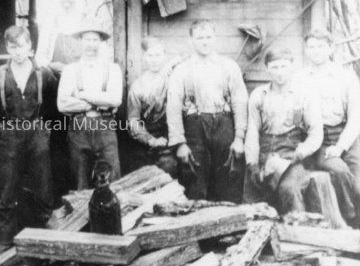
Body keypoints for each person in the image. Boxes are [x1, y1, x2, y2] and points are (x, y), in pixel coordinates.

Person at [0, 25, 59, 257]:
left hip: (37, 133)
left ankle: (50, 241)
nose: (17, 51)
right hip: (10, 134)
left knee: (43, 185)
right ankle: (4, 242)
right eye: (12, 47)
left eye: (21, 46)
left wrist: (46, 125)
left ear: (29, 46)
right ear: (7, 48)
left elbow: (56, 100)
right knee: (8, 187)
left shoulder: (43, 73)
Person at [297, 29, 360, 228]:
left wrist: (341, 146)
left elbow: (356, 118)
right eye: (311, 47)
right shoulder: (300, 78)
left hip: (345, 137)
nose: (316, 51)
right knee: (340, 171)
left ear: (331, 48)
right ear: (306, 50)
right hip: (318, 141)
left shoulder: (346, 77)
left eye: (320, 46)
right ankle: (349, 222)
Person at [167, 20, 248, 202]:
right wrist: (179, 144)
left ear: (215, 38)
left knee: (227, 183)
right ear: (191, 40)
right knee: (195, 183)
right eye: (200, 38)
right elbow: (173, 108)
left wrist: (239, 138)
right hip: (195, 129)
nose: (205, 42)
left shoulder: (229, 66)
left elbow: (240, 102)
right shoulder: (182, 70)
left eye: (208, 37)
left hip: (224, 127)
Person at [244, 47, 323, 214]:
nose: (279, 73)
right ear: (267, 68)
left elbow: (316, 133)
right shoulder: (259, 95)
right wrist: (252, 163)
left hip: (291, 153)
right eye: (274, 67)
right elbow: (252, 132)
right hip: (264, 151)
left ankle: (298, 227)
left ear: (291, 66)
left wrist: (301, 152)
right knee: (252, 196)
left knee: (288, 189)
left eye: (284, 66)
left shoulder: (303, 95)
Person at [57, 24, 123, 190]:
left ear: (101, 42)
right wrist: (97, 102)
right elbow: (62, 104)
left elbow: (115, 99)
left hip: (105, 126)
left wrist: (83, 94)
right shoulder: (70, 70)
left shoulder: (113, 69)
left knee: (112, 180)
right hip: (79, 128)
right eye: (87, 40)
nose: (91, 45)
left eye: (95, 40)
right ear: (80, 41)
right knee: (80, 182)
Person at [126, 36, 180, 177]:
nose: (154, 60)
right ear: (144, 57)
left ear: (164, 56)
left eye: (158, 55)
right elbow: (133, 120)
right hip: (146, 139)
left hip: (173, 137)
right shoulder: (138, 86)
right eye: (150, 55)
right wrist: (150, 140)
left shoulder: (175, 80)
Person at [34, 0, 86, 74]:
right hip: (55, 74)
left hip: (80, 74)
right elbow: (39, 57)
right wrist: (50, 65)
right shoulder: (50, 22)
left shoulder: (84, 21)